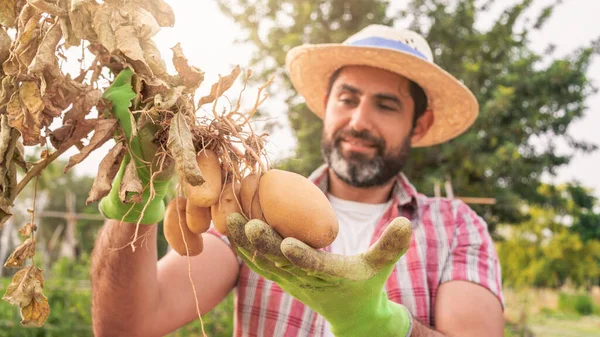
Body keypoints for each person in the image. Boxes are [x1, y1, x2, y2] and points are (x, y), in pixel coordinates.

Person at [90, 24, 504, 337]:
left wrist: (383, 326)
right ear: (326, 106)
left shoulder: (457, 227)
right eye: (348, 98)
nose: (359, 120)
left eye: (386, 105)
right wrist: (137, 194)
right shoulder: (250, 209)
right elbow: (126, 326)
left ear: (420, 123)